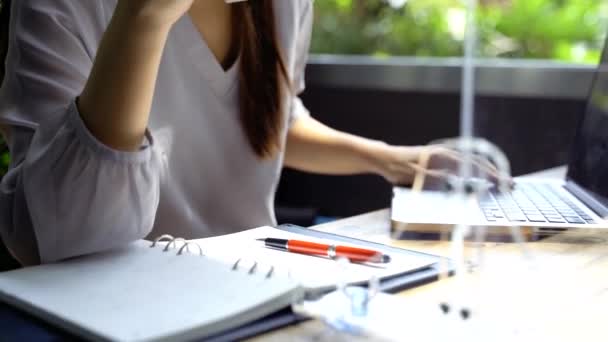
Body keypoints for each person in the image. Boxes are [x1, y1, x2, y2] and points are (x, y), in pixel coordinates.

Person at [0, 0, 497, 266]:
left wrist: (394, 159)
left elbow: (275, 121)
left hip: (254, 279)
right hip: (110, 303)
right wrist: (145, 17)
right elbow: (60, 237)